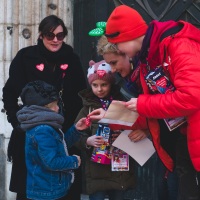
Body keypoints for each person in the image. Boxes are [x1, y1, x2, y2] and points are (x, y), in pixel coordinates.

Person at [91, 5, 200, 200]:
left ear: (126, 37)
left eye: (118, 45)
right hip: (182, 149)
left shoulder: (179, 45)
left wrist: (143, 104)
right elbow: (153, 112)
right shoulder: (149, 58)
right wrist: (109, 117)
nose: (113, 69)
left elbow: (192, 97)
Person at [2, 15, 86, 200]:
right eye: (50, 35)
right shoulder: (25, 57)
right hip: (31, 134)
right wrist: (17, 120)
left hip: (65, 134)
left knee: (66, 189)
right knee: (31, 190)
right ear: (41, 35)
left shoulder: (72, 59)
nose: (55, 40)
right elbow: (9, 93)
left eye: (60, 35)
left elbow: (82, 95)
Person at [97, 35, 179, 200]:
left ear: (127, 53)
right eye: (108, 64)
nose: (112, 70)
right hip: (154, 149)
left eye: (114, 63)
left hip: (173, 144)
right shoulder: (127, 80)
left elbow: (170, 105)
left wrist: (147, 129)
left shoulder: (149, 72)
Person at [74, 60, 148, 200]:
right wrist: (87, 141)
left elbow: (135, 126)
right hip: (97, 171)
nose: (99, 89)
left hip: (119, 170)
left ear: (111, 84)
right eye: (95, 85)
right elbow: (76, 133)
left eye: (104, 85)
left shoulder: (123, 103)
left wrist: (123, 135)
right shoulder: (87, 109)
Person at [16, 80, 88, 200]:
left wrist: (76, 129)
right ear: (44, 108)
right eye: (54, 105)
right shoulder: (43, 129)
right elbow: (52, 162)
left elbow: (59, 146)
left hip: (49, 188)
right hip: (48, 192)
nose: (57, 108)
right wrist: (74, 161)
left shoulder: (44, 124)